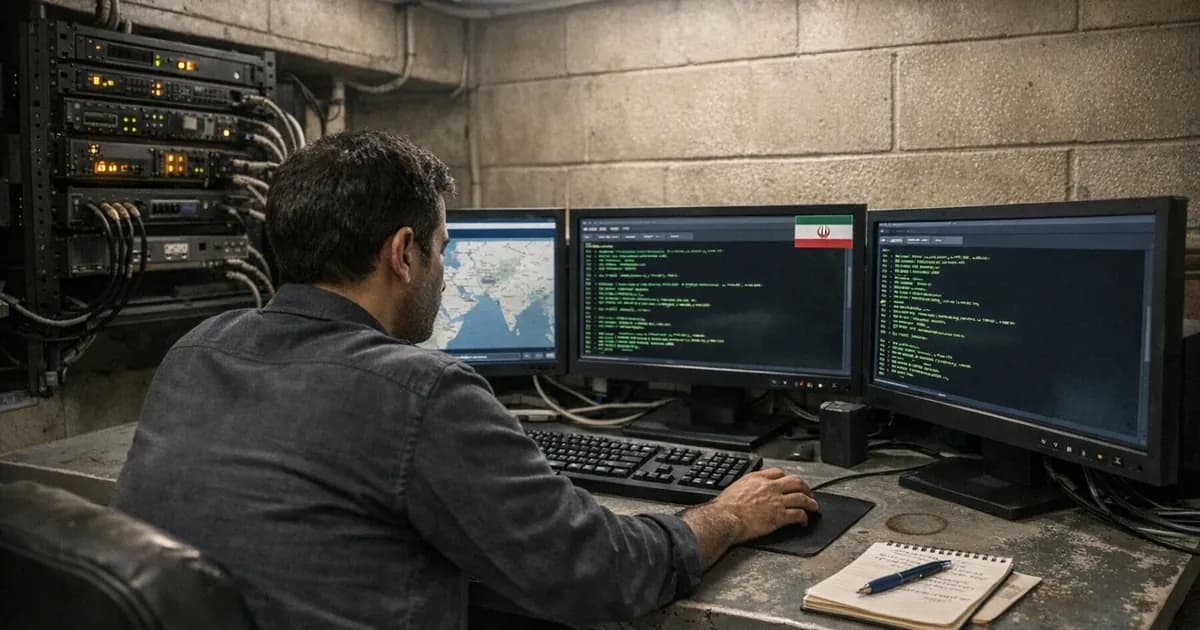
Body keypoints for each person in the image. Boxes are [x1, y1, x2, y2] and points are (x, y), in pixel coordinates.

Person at [112, 130, 819, 630]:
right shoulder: (418, 392)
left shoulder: (196, 350)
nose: (446, 275)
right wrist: (727, 516)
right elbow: (598, 573)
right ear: (403, 254)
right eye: (443, 249)